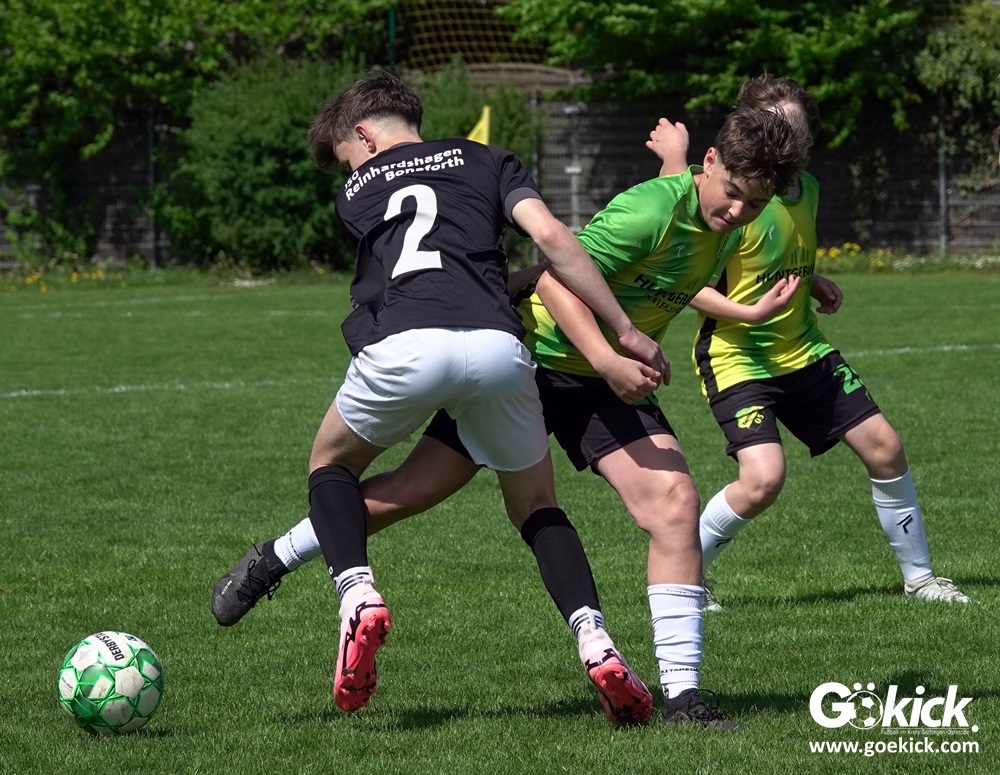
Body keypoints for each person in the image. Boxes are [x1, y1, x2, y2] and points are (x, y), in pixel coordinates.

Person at [213, 103, 810, 729]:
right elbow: (554, 277)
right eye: (732, 194)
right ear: (709, 163)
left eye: (754, 203)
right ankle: (274, 558)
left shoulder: (725, 216)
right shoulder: (648, 211)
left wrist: (799, 284)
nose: (738, 211)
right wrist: (610, 356)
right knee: (401, 497)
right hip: (539, 360)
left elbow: (675, 270)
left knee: (675, 504)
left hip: (593, 378)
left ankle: (683, 698)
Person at [645, 74, 970, 611]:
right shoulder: (735, 197)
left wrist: (812, 279)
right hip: (738, 357)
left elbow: (777, 253)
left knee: (886, 447)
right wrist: (750, 311)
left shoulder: (807, 191)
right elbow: (684, 279)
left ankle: (921, 580)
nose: (785, 138)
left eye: (794, 129)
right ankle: (686, 573)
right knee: (763, 479)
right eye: (773, 126)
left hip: (804, 350)